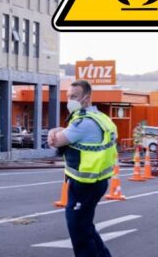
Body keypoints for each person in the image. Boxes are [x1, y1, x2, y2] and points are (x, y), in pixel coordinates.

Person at [48, 80, 117, 257]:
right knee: (86, 226)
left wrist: (53, 131)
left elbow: (55, 141)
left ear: (86, 99)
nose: (69, 100)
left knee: (79, 230)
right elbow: (67, 133)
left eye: (74, 97)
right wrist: (59, 130)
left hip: (84, 185)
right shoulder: (101, 118)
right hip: (97, 181)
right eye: (68, 96)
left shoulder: (83, 123)